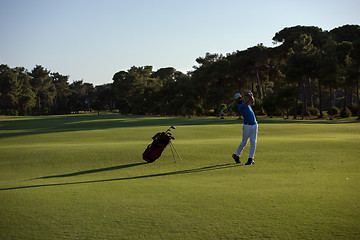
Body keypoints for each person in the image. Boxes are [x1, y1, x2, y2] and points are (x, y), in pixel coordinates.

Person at [232, 91, 258, 165]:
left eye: (240, 98)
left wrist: (251, 95)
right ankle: (237, 155)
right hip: (247, 126)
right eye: (238, 99)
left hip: (254, 124)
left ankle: (250, 159)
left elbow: (252, 102)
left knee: (253, 142)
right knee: (244, 142)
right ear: (236, 100)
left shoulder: (246, 104)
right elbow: (250, 100)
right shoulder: (241, 106)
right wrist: (249, 95)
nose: (240, 99)